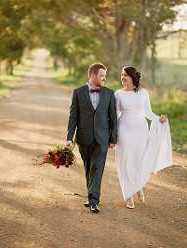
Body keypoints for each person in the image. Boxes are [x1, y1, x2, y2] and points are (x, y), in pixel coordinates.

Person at [115, 66, 172, 209]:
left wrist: (159, 119)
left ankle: (138, 187)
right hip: (124, 131)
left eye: (125, 75)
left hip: (141, 131)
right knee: (126, 161)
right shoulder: (118, 94)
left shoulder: (143, 93)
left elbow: (148, 113)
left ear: (133, 77)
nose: (122, 77)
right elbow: (115, 115)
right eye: (122, 75)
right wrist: (112, 134)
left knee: (139, 161)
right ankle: (128, 195)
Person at [66, 63, 117, 213]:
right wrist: (70, 137)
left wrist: (113, 138)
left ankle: (94, 201)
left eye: (105, 76)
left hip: (102, 137)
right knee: (88, 167)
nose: (104, 78)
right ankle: (91, 196)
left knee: (97, 167)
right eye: (102, 76)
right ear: (93, 76)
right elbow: (73, 117)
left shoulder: (109, 93)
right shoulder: (77, 92)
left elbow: (113, 117)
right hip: (84, 137)